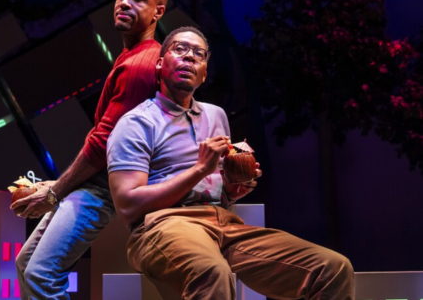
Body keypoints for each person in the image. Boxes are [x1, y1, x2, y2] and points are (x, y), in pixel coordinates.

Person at [107, 26, 354, 300]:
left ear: (204, 73)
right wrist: (200, 169)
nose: (189, 57)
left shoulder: (216, 116)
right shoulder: (136, 123)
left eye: (199, 54)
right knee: (210, 271)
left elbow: (213, 191)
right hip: (162, 225)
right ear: (159, 64)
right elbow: (128, 207)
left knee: (331, 268)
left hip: (223, 223)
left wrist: (228, 191)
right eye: (179, 49)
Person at [10, 0, 167, 300]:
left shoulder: (140, 65)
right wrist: (58, 186)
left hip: (102, 189)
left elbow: (102, 144)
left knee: (41, 273)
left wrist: (55, 193)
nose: (124, 2)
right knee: (27, 264)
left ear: (158, 11)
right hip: (94, 183)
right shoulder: (130, 57)